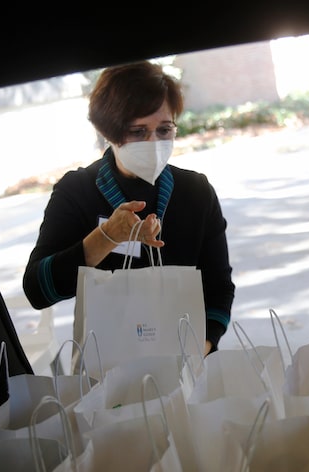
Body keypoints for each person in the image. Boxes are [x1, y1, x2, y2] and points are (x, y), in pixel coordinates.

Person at [23, 60, 235, 356]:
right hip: (106, 367)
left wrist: (200, 348)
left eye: (164, 130)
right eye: (138, 132)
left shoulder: (195, 192)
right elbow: (37, 290)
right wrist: (106, 237)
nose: (153, 142)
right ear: (108, 130)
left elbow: (219, 287)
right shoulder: (77, 191)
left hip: (187, 360)